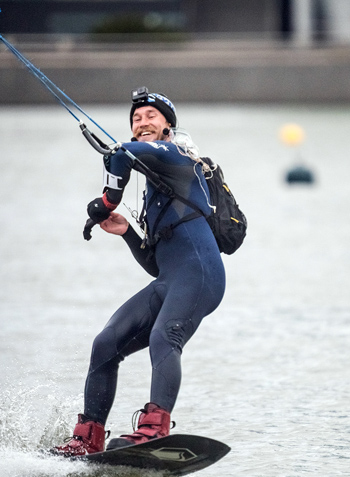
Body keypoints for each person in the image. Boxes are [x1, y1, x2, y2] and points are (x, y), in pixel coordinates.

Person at [54, 88, 227, 456]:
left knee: (166, 338)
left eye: (152, 115)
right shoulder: (152, 189)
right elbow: (155, 264)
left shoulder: (180, 157)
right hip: (169, 280)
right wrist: (128, 231)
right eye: (136, 119)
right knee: (105, 344)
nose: (143, 122)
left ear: (167, 126)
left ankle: (155, 427)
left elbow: (122, 154)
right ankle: (88, 438)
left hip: (201, 276)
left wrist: (106, 201)